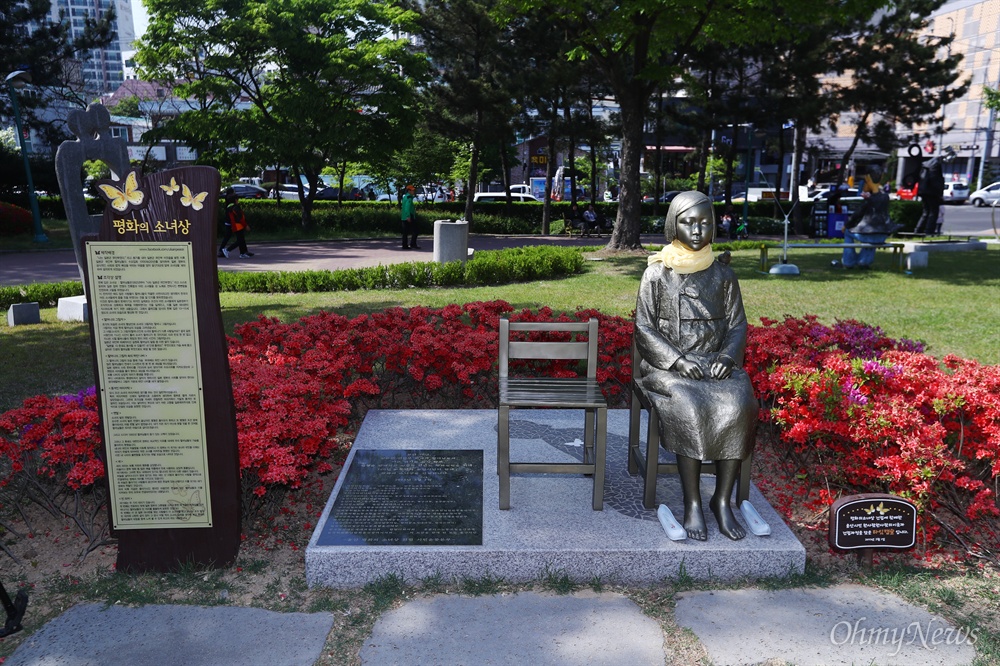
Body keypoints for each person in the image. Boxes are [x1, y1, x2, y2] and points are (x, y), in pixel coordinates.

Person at [634, 191, 758, 541]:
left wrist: (726, 357)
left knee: (739, 404)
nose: (697, 230)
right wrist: (677, 360)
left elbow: (737, 325)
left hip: (716, 365)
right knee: (690, 407)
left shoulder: (723, 275)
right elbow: (643, 327)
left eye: (704, 222)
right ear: (674, 224)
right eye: (688, 222)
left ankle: (721, 500)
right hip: (669, 368)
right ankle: (691, 502)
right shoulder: (657, 274)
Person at [841, 178, 898, 269]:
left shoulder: (870, 199)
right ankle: (864, 261)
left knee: (848, 232)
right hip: (882, 236)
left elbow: (857, 214)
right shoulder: (885, 197)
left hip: (870, 236)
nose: (862, 186)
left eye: (864, 184)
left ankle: (849, 262)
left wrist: (846, 225)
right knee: (871, 235)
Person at [913, 147, 954, 235]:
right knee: (933, 211)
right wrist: (940, 193)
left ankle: (918, 230)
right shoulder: (936, 164)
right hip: (932, 191)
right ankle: (929, 231)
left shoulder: (926, 163)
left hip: (923, 190)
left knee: (926, 211)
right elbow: (935, 180)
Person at [219, 188, 254, 259]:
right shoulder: (235, 207)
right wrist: (246, 225)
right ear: (235, 200)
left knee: (241, 239)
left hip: (235, 225)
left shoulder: (229, 207)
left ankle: (243, 253)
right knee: (240, 240)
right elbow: (240, 218)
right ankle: (227, 250)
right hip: (238, 226)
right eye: (237, 199)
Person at [400, 185, 418, 249]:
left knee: (405, 232)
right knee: (415, 231)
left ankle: (404, 245)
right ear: (409, 191)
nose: (413, 191)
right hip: (409, 216)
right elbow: (407, 208)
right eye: (412, 190)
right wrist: (408, 216)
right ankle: (412, 244)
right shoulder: (409, 197)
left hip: (404, 216)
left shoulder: (405, 197)